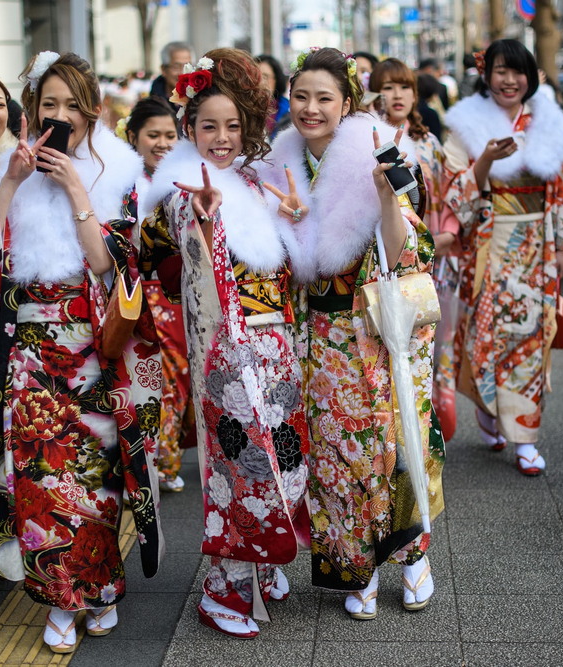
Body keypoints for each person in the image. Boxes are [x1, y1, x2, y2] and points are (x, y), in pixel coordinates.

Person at [0, 51, 162, 653]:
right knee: (42, 478)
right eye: (48, 105)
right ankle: (60, 600)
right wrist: (14, 181)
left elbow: (111, 266)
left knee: (97, 479)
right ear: (32, 112)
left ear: (93, 112)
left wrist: (77, 188)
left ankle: (99, 585)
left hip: (93, 351)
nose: (60, 115)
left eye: (72, 105)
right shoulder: (9, 174)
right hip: (30, 352)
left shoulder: (120, 173)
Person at [261, 46, 444, 620]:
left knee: (393, 443)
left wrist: (388, 198)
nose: (310, 109)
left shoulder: (374, 152)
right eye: (302, 97)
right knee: (336, 454)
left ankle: (414, 556)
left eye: (324, 98)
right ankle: (356, 565)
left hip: (376, 327)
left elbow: (407, 249)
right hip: (316, 333)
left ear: (347, 103)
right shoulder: (278, 163)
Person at [138, 48, 308, 638]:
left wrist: (294, 214)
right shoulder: (186, 189)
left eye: (233, 126)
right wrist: (207, 222)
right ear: (189, 128)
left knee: (279, 458)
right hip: (225, 349)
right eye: (208, 125)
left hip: (275, 343)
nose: (221, 137)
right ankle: (221, 587)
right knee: (237, 463)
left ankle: (257, 567)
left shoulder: (257, 178)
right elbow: (188, 264)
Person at [443, 39, 563, 475]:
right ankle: (490, 411)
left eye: (518, 72)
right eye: (500, 71)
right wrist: (486, 158)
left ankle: (525, 436)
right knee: (484, 337)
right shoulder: (466, 123)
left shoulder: (546, 120)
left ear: (530, 77)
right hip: (486, 246)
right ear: (486, 75)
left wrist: (562, 249)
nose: (509, 80)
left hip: (535, 245)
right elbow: (455, 194)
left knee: (530, 338)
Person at [370, 58, 459, 440]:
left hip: (434, 254)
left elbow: (450, 193)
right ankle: (397, 431)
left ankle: (431, 428)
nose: (397, 95)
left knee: (435, 342)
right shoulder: (368, 139)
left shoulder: (428, 141)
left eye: (404, 86)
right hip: (391, 258)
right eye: (387, 87)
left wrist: (447, 233)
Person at [118, 96, 191, 492]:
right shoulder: (121, 179)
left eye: (169, 135)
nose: (162, 143)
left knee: (176, 376)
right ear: (133, 136)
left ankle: (165, 460)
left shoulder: (180, 177)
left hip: (169, 293)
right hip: (132, 290)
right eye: (153, 135)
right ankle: (138, 459)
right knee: (138, 377)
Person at [149, 41, 193, 113]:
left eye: (187, 66)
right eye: (176, 67)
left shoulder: (199, 101)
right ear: (163, 69)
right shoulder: (152, 105)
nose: (182, 73)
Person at [256, 54, 289, 136]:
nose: (260, 82)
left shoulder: (289, 112)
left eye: (265, 76)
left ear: (276, 80)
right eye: (255, 76)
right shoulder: (241, 111)